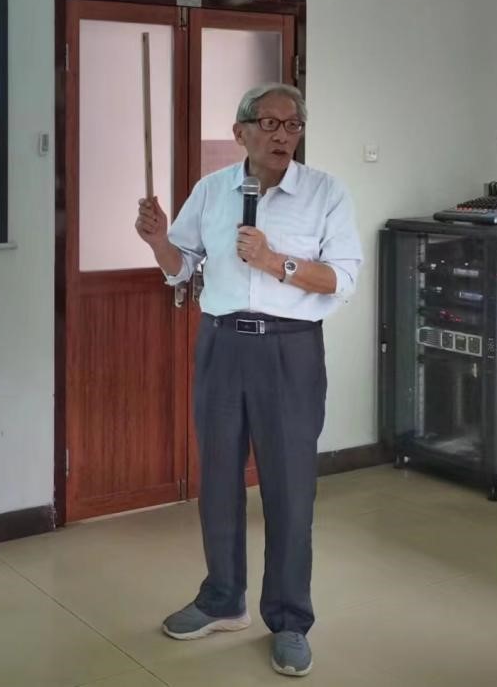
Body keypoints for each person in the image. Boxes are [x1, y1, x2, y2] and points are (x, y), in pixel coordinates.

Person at [134, 83, 361, 679]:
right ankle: (222, 599)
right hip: (221, 342)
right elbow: (182, 267)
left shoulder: (326, 192)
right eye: (270, 123)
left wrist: (274, 261)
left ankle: (289, 620)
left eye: (294, 124)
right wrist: (158, 241)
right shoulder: (212, 190)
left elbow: (341, 279)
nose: (283, 135)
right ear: (241, 133)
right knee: (218, 479)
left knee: (289, 488)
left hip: (290, 349)